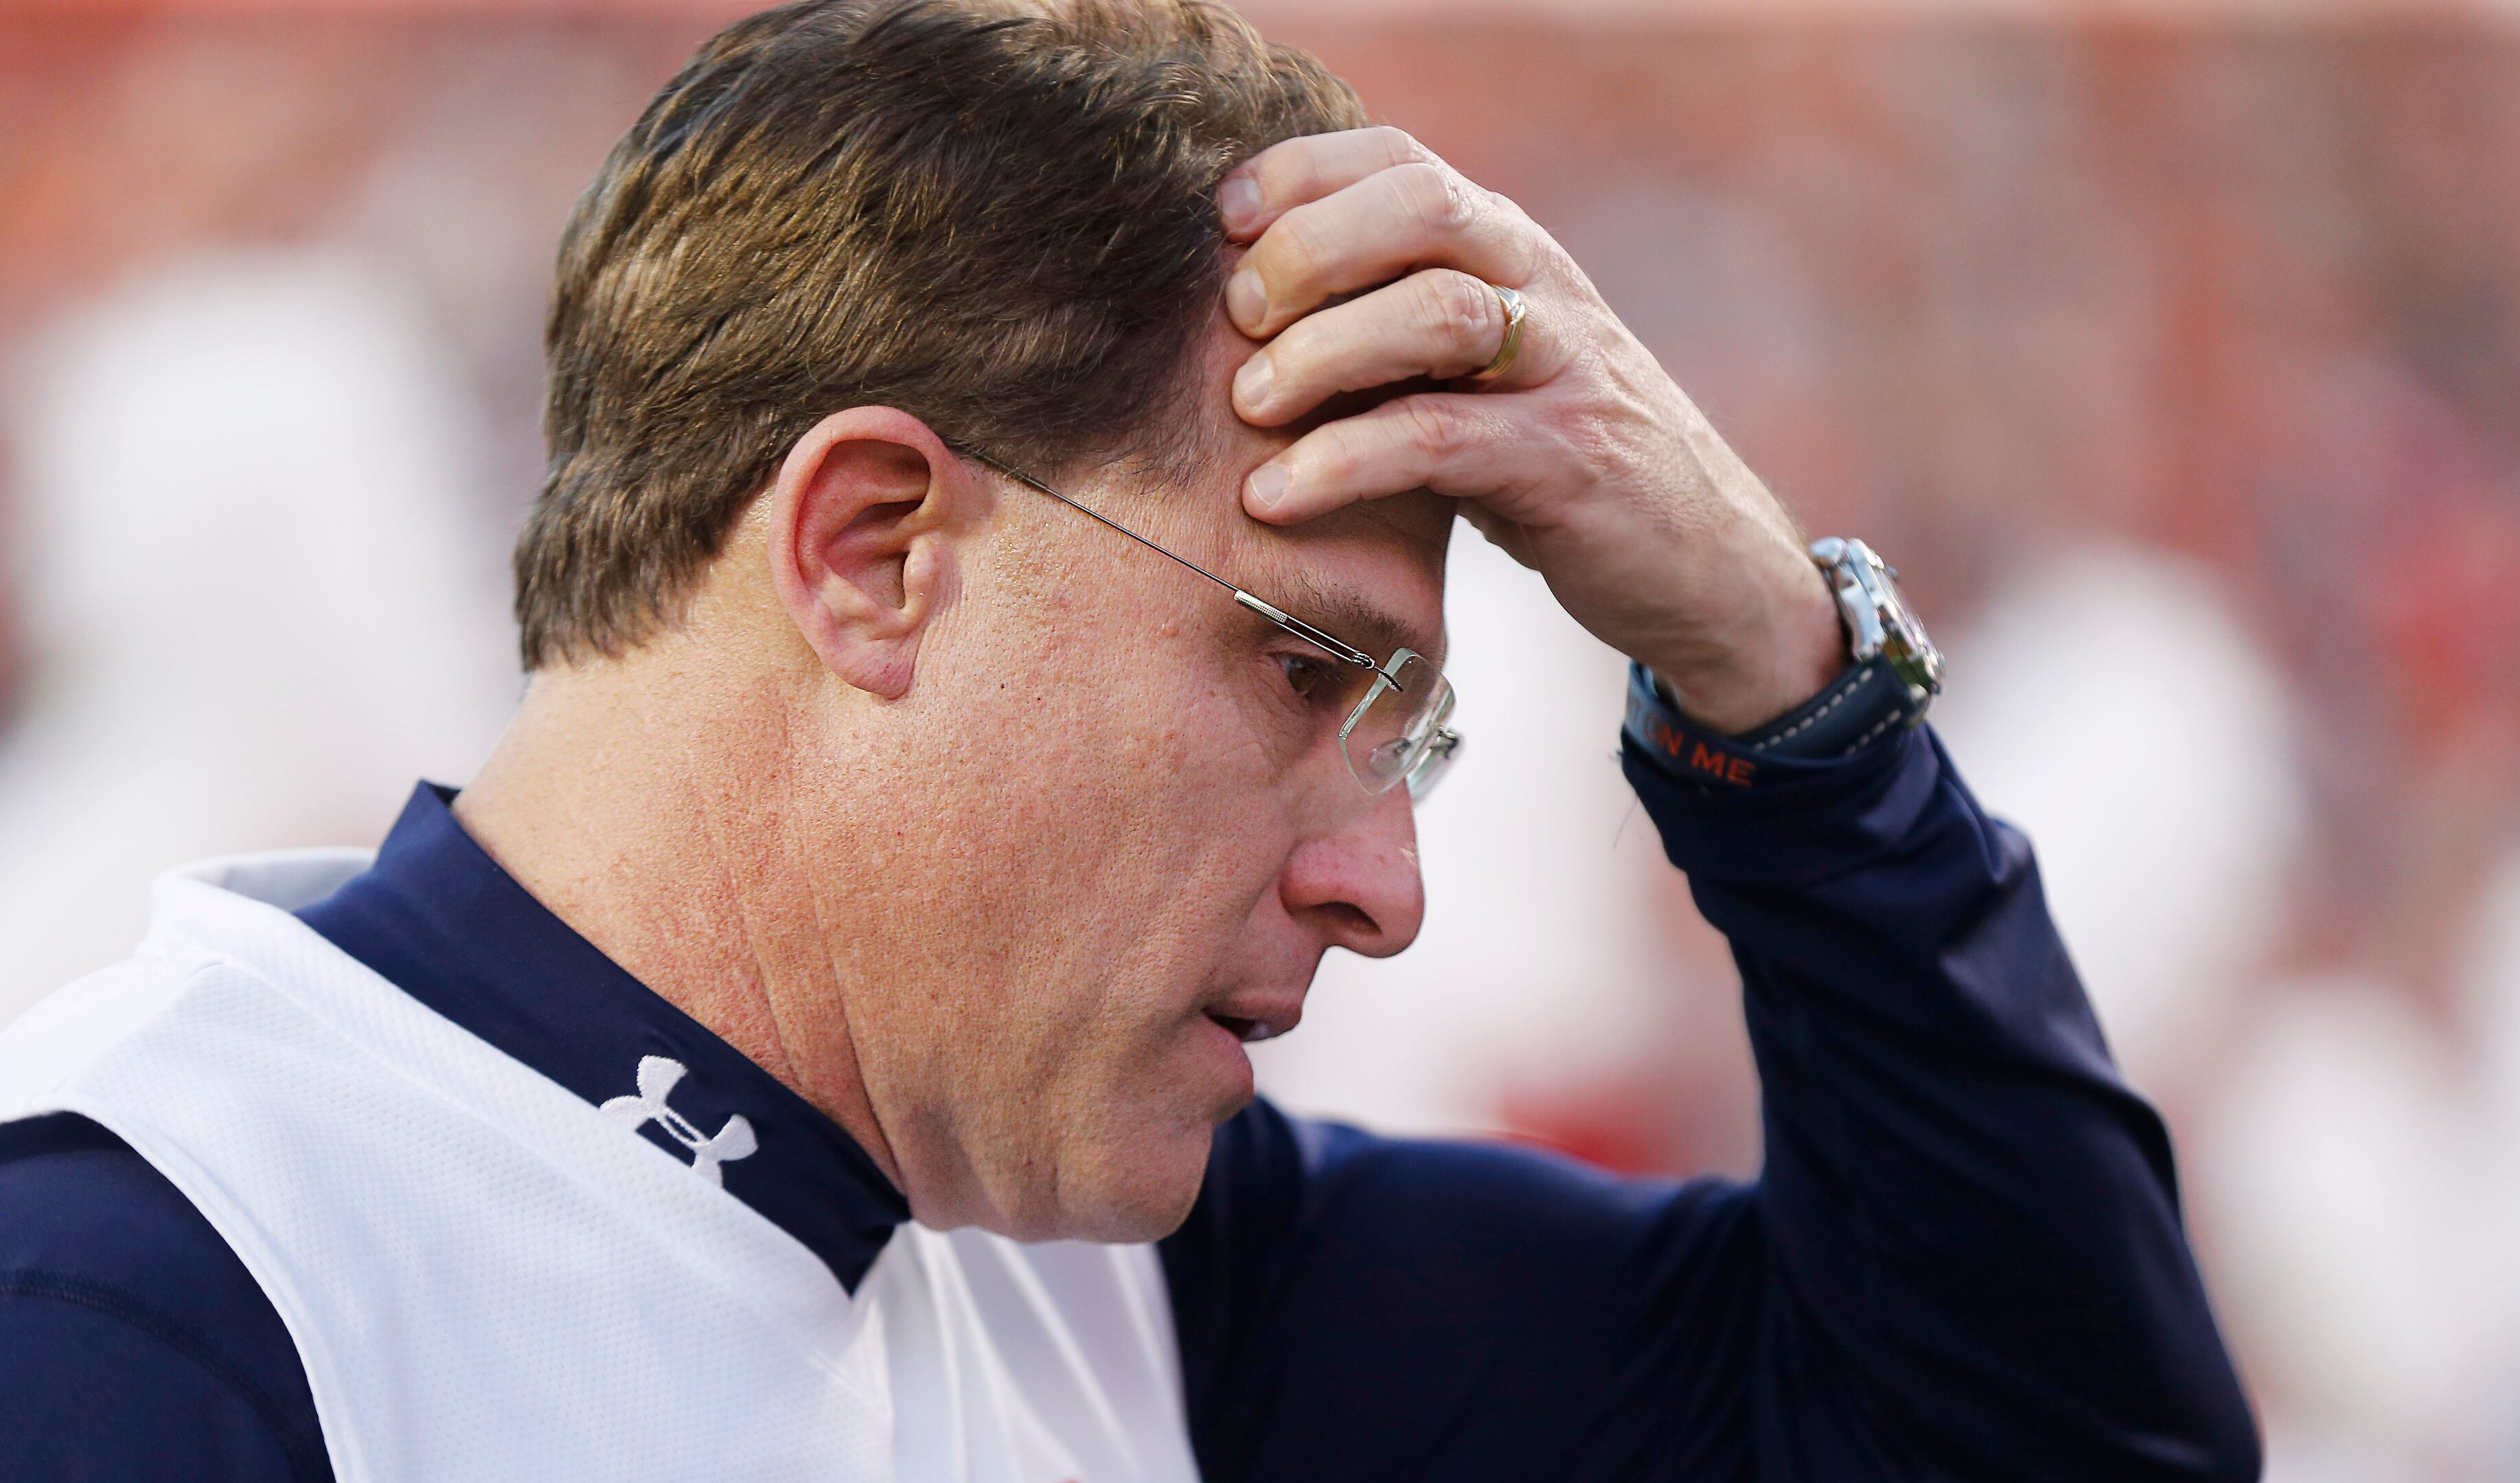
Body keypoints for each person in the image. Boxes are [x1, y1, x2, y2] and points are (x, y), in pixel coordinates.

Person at [0, 1, 2258, 1479]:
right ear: (877, 551)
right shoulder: (151, 1295)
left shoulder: (1141, 1269)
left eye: (1414, 740)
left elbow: (2046, 1445)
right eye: (1306, 675)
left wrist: (1793, 683)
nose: (1389, 889)